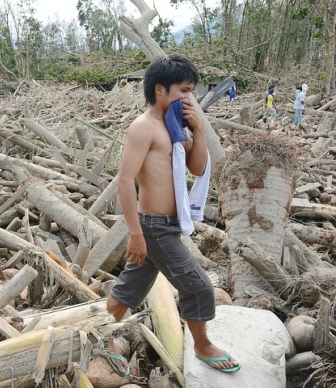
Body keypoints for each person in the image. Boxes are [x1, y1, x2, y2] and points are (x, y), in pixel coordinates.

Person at [107, 55, 240, 374]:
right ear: (159, 90)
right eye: (183, 91)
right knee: (198, 286)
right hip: (152, 228)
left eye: (190, 91)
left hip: (169, 225)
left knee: (129, 289)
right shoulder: (143, 128)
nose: (188, 98)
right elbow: (125, 181)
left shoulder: (175, 125)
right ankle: (203, 345)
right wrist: (136, 233)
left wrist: (196, 126)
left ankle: (101, 336)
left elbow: (196, 167)